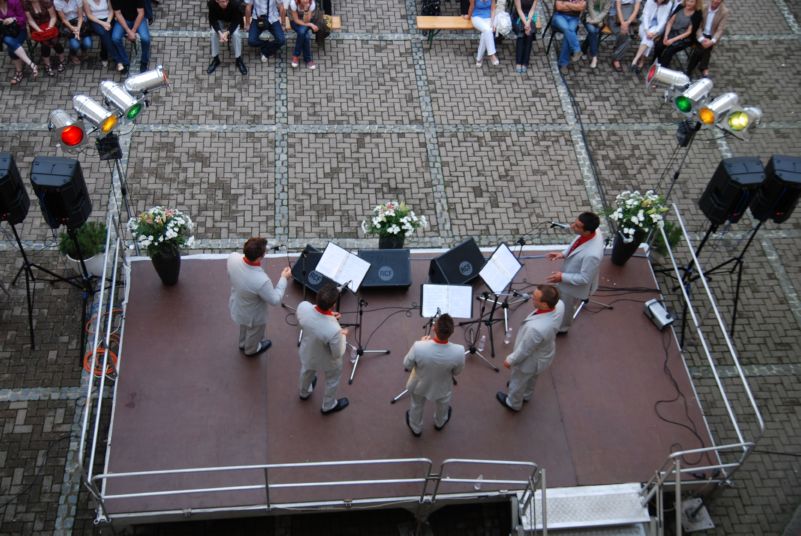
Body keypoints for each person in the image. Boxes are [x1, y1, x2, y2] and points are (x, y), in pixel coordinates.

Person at [496, 285, 564, 412]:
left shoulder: (535, 329)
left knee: (517, 381)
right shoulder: (560, 305)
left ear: (544, 304)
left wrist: (510, 360)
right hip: (544, 354)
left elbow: (524, 350)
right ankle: (527, 395)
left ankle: (513, 403)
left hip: (530, 361)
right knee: (532, 377)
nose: (532, 298)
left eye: (535, 298)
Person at [227, 237, 291, 357]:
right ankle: (251, 349)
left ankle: (242, 343)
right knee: (254, 333)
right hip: (254, 316)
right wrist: (284, 278)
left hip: (238, 305)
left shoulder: (233, 258)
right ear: (259, 257)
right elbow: (275, 300)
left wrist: (262, 249)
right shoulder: (261, 281)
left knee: (243, 326)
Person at [402, 314, 465, 437]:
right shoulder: (459, 351)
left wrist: (423, 344)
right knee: (443, 404)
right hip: (442, 386)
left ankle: (416, 428)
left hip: (419, 384)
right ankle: (440, 422)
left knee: (416, 405)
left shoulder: (418, 346)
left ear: (433, 328)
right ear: (452, 332)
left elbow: (407, 365)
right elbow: (457, 372)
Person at [545, 212, 604, 333]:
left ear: (587, 231)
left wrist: (562, 277)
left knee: (566, 308)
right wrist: (563, 254)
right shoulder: (594, 231)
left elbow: (585, 278)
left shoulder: (593, 255)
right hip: (569, 277)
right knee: (560, 302)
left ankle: (562, 328)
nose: (572, 226)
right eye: (574, 223)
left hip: (573, 288)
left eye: (577, 226)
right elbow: (577, 243)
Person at [296, 283, 350, 415]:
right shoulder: (335, 330)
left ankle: (304, 393)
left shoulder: (303, 307)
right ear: (333, 305)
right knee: (332, 380)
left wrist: (329, 315)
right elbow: (338, 353)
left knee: (306, 371)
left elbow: (313, 320)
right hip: (327, 361)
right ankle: (328, 406)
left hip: (308, 352)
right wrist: (343, 334)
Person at [652, 0, 703, 69]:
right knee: (659, 45)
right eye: (687, 1)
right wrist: (666, 36)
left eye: (691, 2)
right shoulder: (680, 7)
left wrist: (672, 40)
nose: (688, 3)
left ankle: (662, 68)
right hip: (672, 32)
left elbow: (688, 32)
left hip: (684, 37)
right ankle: (655, 61)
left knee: (669, 51)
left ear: (696, 3)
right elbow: (670, 22)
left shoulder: (697, 14)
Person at [686, 0, 727, 77]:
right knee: (702, 50)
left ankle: (689, 70)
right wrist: (702, 39)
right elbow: (698, 26)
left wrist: (712, 41)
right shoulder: (703, 7)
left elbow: (720, 29)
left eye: (718, 1)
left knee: (699, 50)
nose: (716, 1)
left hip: (711, 36)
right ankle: (703, 67)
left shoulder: (724, 12)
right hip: (700, 34)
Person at [630, 0, 673, 72]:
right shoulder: (650, 1)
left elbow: (663, 20)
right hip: (645, 25)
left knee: (648, 38)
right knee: (648, 39)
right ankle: (642, 60)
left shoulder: (669, 4)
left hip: (657, 27)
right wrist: (647, 30)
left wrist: (655, 32)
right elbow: (645, 15)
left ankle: (635, 60)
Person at [25, 0, 65, 76]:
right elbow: (30, 20)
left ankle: (62, 60)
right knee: (45, 44)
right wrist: (39, 30)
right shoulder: (26, 5)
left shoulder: (46, 2)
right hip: (37, 27)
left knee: (55, 41)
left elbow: (53, 17)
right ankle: (47, 64)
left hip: (50, 24)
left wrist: (49, 27)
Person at [2, 0, 38, 85]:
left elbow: (23, 19)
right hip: (5, 32)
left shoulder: (14, 2)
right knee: (8, 40)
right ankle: (31, 64)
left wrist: (13, 19)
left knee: (11, 48)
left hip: (19, 31)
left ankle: (19, 72)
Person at [207, 0, 247, 75]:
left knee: (236, 34)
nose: (225, 4)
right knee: (213, 33)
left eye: (226, 1)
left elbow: (236, 21)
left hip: (233, 19)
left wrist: (227, 32)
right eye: (222, 1)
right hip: (219, 19)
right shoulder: (211, 4)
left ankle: (238, 59)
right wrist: (219, 32)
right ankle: (216, 59)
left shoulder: (236, 4)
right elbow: (212, 20)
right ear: (217, 1)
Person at [110, 0, 150, 74]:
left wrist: (133, 30)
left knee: (145, 39)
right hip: (124, 19)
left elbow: (141, 13)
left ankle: (144, 61)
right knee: (115, 38)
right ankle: (125, 61)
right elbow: (118, 14)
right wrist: (128, 31)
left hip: (138, 18)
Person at [243, 0, 286, 64]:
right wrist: (247, 24)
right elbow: (248, 7)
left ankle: (265, 52)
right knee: (251, 41)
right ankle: (269, 47)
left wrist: (283, 24)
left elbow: (281, 7)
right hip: (257, 19)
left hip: (272, 18)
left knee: (281, 40)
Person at [551, 0, 585, 75]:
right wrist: (574, 6)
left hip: (574, 19)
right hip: (559, 16)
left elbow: (581, 7)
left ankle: (563, 64)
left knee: (568, 34)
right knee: (568, 29)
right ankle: (577, 50)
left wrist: (566, 4)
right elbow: (559, 7)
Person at [607, 0, 640, 72]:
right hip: (615, 17)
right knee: (625, 36)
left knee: (626, 36)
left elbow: (636, 9)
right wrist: (623, 23)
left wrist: (627, 23)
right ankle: (616, 58)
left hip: (630, 18)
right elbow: (618, 7)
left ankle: (616, 57)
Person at [465, 0, 498, 67]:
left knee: (486, 33)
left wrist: (492, 22)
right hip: (477, 17)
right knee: (488, 30)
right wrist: (468, 17)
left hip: (489, 18)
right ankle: (492, 54)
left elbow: (493, 9)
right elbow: (471, 7)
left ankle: (479, 58)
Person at [84, 0, 116, 69]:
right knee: (103, 33)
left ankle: (104, 56)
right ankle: (117, 58)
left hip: (108, 19)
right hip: (96, 21)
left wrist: (108, 22)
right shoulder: (86, 1)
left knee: (106, 36)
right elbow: (89, 15)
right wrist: (103, 23)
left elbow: (111, 11)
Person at [582, 0, 612, 70]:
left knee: (594, 32)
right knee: (593, 31)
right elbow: (590, 8)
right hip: (589, 17)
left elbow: (605, 11)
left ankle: (584, 48)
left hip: (600, 20)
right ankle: (594, 56)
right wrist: (595, 20)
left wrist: (597, 20)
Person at [289, 0, 317, 70]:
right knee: (304, 34)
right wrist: (310, 25)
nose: (305, 1)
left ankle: (296, 56)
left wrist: (306, 10)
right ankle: (308, 59)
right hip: (295, 21)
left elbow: (307, 20)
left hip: (306, 20)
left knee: (303, 33)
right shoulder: (293, 3)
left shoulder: (311, 4)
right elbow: (296, 20)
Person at [513, 0, 537, 74]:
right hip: (518, 16)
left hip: (530, 17)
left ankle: (525, 62)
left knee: (530, 33)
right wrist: (526, 24)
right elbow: (519, 10)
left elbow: (532, 10)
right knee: (521, 32)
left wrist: (528, 22)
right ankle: (518, 62)